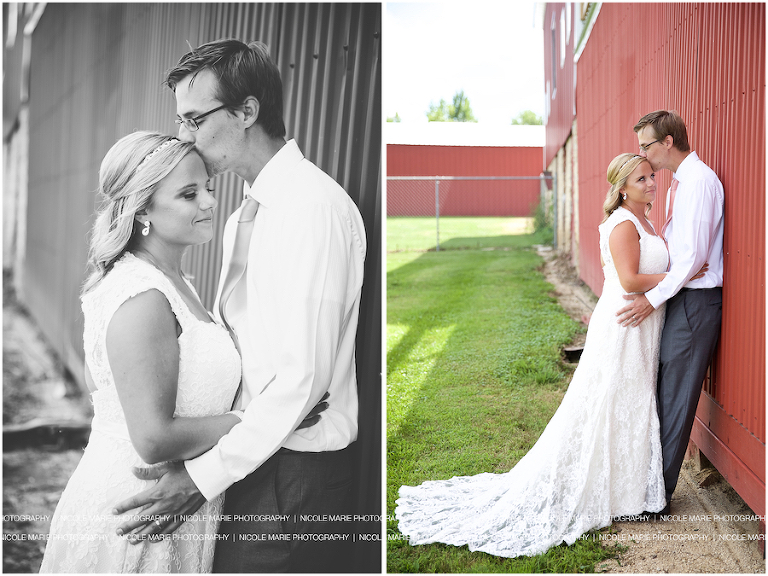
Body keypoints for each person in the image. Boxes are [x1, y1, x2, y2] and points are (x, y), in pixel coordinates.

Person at [112, 40, 367, 572]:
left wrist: (202, 479)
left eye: (194, 119)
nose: (184, 136)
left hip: (295, 477)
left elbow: (301, 381)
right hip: (249, 459)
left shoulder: (311, 210)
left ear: (246, 111)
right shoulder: (243, 217)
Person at [39, 132, 324, 573]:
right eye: (189, 194)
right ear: (142, 211)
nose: (209, 202)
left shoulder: (175, 281)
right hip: (140, 509)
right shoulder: (142, 296)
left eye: (208, 188)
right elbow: (153, 439)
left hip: (178, 510)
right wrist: (264, 419)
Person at [395, 154, 705, 558]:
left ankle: (624, 489)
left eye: (650, 176)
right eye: (642, 179)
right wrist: (682, 275)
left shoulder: (646, 219)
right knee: (609, 401)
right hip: (624, 327)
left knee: (629, 403)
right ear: (622, 188)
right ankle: (600, 485)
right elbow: (629, 280)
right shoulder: (624, 223)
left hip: (644, 328)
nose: (651, 183)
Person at [617, 110, 724, 515]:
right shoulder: (683, 183)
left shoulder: (698, 182)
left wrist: (653, 298)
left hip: (695, 303)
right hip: (681, 297)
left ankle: (655, 499)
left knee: (676, 398)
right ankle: (643, 487)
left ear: (667, 142)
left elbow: (693, 259)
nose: (641, 152)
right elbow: (681, 255)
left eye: (646, 144)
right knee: (663, 392)